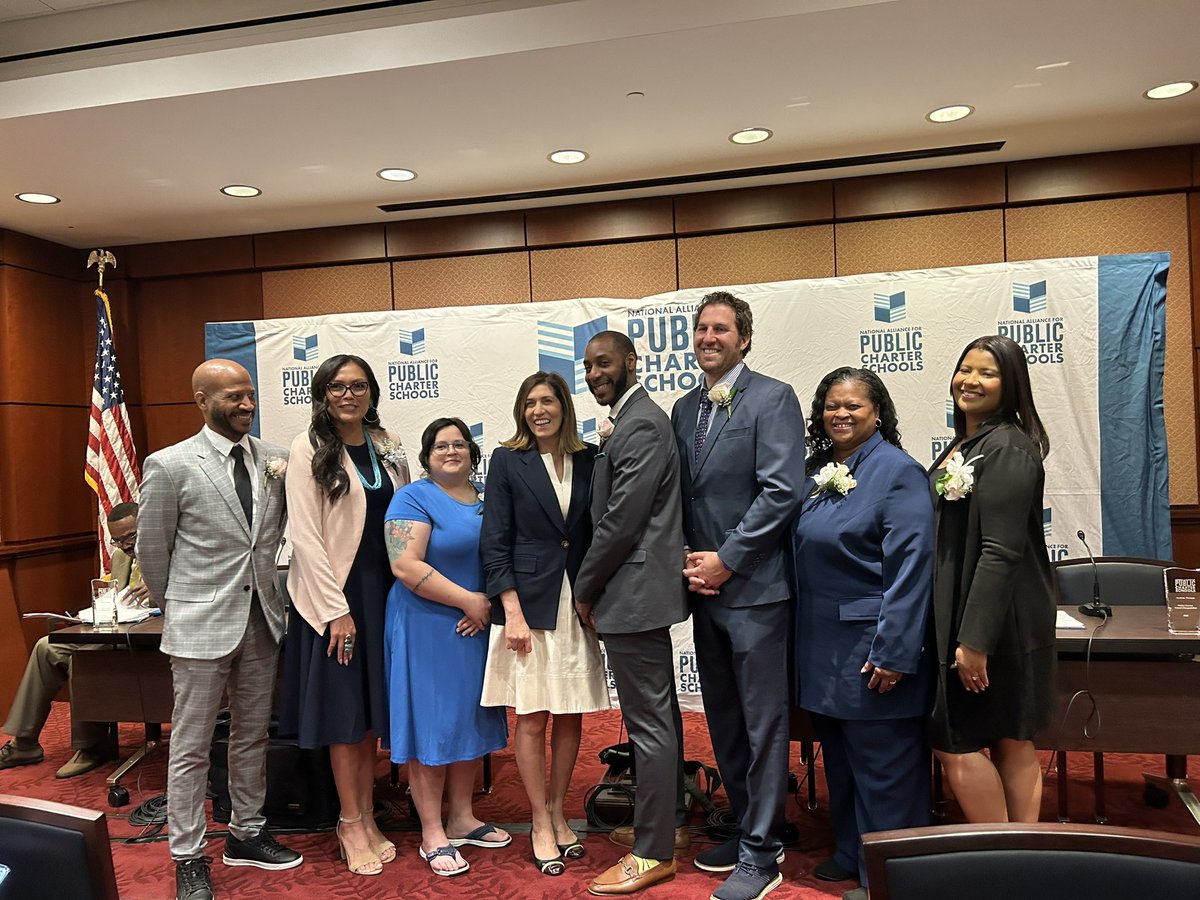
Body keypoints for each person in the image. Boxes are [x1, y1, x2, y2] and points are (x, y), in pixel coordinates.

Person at [137, 359, 302, 900]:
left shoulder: (276, 459)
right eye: (233, 396)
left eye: (249, 394)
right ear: (201, 400)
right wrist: (182, 607)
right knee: (191, 746)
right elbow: (152, 551)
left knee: (252, 735)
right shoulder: (169, 465)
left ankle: (246, 832)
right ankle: (187, 855)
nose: (246, 404)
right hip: (198, 626)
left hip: (262, 620)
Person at [668, 291, 805, 900]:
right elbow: (681, 495)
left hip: (756, 591)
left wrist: (727, 560)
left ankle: (763, 853)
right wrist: (687, 560)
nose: (708, 338)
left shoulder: (773, 398)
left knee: (763, 725)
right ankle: (748, 825)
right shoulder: (682, 407)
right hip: (703, 592)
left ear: (744, 338)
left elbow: (781, 492)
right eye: (701, 328)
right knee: (724, 717)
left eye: (720, 329)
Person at [793, 367, 934, 900]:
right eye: (832, 405)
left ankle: (893, 877)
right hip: (822, 648)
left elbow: (911, 569)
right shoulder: (816, 470)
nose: (841, 414)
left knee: (885, 767)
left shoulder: (898, 472)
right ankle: (853, 851)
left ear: (877, 413)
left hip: (872, 648)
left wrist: (895, 651)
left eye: (853, 405)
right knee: (843, 760)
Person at [280, 355, 410, 876]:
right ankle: (349, 821)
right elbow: (305, 536)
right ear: (323, 393)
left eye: (358, 386)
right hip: (336, 596)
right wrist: (336, 611)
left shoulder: (387, 442)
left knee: (370, 713)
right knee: (344, 715)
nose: (348, 395)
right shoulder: (307, 446)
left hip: (385, 592)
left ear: (372, 392)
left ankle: (368, 814)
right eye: (338, 386)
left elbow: (405, 514)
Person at [574, 330, 689, 897]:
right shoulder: (630, 420)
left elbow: (621, 521)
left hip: (633, 593)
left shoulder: (641, 422)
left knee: (650, 725)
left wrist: (584, 588)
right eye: (587, 366)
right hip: (635, 592)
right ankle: (666, 829)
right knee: (657, 720)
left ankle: (653, 853)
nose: (594, 374)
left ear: (632, 362)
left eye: (604, 363)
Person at [480, 371, 609, 876]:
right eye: (530, 402)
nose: (539, 410)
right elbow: (495, 539)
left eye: (548, 401)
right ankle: (538, 819)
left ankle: (557, 810)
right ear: (522, 411)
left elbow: (596, 532)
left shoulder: (590, 458)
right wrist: (510, 610)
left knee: (571, 714)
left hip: (576, 604)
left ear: (564, 407)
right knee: (532, 717)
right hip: (528, 607)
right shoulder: (507, 460)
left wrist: (594, 594)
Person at [928, 334, 1055, 824]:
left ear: (1011, 384)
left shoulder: (1009, 448)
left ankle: (1005, 853)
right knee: (1004, 736)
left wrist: (974, 641)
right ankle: (1019, 853)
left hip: (999, 623)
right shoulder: (969, 443)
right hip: (965, 612)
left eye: (988, 373)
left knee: (972, 740)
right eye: (966, 369)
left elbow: (1001, 550)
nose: (971, 380)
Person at [384, 417, 510, 877]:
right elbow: (404, 564)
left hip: (475, 626)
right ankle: (432, 832)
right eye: (441, 445)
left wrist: (484, 606)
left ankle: (461, 817)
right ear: (426, 456)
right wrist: (467, 601)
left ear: (473, 453)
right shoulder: (412, 498)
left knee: (466, 722)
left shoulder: (488, 498)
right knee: (431, 727)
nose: (451, 451)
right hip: (426, 626)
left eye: (459, 444)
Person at [0, 502, 146, 779]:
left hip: (152, 640)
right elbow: (113, 600)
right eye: (118, 540)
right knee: (46, 646)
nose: (126, 546)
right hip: (117, 632)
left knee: (85, 656)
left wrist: (159, 590)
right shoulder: (120, 557)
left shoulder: (172, 552)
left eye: (132, 537)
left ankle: (92, 747)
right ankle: (24, 743)